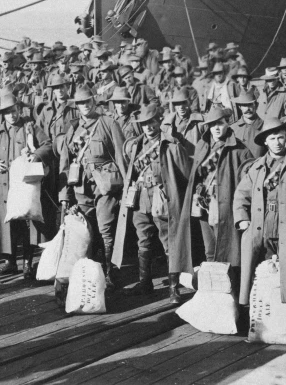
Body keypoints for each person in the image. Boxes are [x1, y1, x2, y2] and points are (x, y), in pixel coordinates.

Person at [0, 93, 54, 278]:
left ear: (19, 110)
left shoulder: (30, 128)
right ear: (2, 114)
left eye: (14, 111)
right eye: (7, 113)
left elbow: (48, 144)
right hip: (4, 186)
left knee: (27, 223)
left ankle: (28, 263)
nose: (11, 115)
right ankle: (9, 262)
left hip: (25, 185)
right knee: (8, 225)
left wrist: (36, 155)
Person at [122, 104, 192, 303]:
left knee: (168, 241)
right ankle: (145, 283)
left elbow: (184, 174)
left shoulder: (171, 144)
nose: (148, 127)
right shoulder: (135, 145)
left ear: (158, 122)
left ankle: (173, 287)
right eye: (144, 124)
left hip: (162, 196)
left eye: (151, 122)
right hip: (141, 196)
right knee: (143, 239)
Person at [60, 86, 127, 290]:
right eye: (80, 103)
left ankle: (109, 272)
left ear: (94, 102)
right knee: (85, 230)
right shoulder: (73, 128)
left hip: (105, 184)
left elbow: (120, 156)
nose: (85, 106)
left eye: (88, 101)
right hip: (82, 185)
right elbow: (66, 162)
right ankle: (87, 274)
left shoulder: (108, 123)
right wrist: (65, 194)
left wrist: (127, 187)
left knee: (106, 228)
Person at [233, 117, 286, 306]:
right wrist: (243, 219)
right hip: (260, 227)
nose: (277, 143)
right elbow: (241, 195)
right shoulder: (256, 167)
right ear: (265, 142)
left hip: (285, 228)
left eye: (280, 138)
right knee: (259, 277)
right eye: (272, 139)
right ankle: (258, 318)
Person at [188, 106, 253, 270]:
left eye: (220, 123)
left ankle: (229, 289)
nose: (216, 128)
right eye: (212, 124)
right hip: (204, 204)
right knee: (209, 249)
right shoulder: (202, 145)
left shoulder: (240, 149)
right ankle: (213, 290)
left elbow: (248, 182)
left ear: (228, 123)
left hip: (224, 206)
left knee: (225, 250)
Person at [162, 87, 201, 157]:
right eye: (177, 104)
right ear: (174, 105)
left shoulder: (199, 121)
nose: (181, 107)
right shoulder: (167, 122)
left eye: (184, 103)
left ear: (189, 103)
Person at [230, 90, 265, 159]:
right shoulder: (232, 129)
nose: (248, 109)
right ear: (239, 107)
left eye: (250, 104)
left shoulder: (265, 127)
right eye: (244, 105)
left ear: (256, 105)